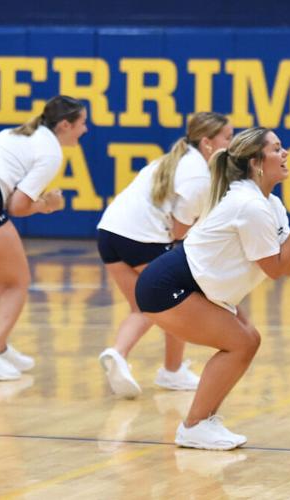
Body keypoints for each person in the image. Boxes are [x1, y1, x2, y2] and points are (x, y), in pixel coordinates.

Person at [135, 127, 290, 450]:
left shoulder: (270, 204)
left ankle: (204, 421)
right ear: (256, 162)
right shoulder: (248, 205)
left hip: (195, 285)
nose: (285, 154)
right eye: (277, 149)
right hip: (168, 285)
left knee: (249, 340)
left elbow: (287, 265)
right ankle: (193, 425)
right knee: (239, 344)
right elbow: (277, 268)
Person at [96, 112, 233, 398]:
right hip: (140, 236)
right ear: (208, 142)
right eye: (228, 138)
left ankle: (142, 361)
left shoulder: (178, 158)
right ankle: (156, 366)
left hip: (109, 231)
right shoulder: (198, 176)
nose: (231, 145)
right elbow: (180, 230)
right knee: (164, 301)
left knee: (146, 305)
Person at [0, 95, 88, 381]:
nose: (85, 130)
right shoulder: (51, 152)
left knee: (4, 279)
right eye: (82, 124)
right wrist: (46, 205)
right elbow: (18, 206)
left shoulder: (20, 132)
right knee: (18, 281)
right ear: (64, 125)